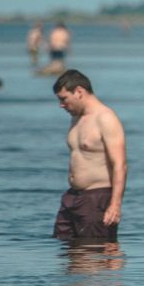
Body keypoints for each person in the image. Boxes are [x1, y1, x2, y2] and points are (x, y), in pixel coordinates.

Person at [52, 70, 127, 242]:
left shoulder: (106, 118)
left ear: (79, 92)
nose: (61, 105)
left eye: (63, 99)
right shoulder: (76, 118)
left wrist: (115, 205)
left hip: (97, 198)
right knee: (67, 256)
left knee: (95, 254)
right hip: (72, 198)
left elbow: (120, 165)